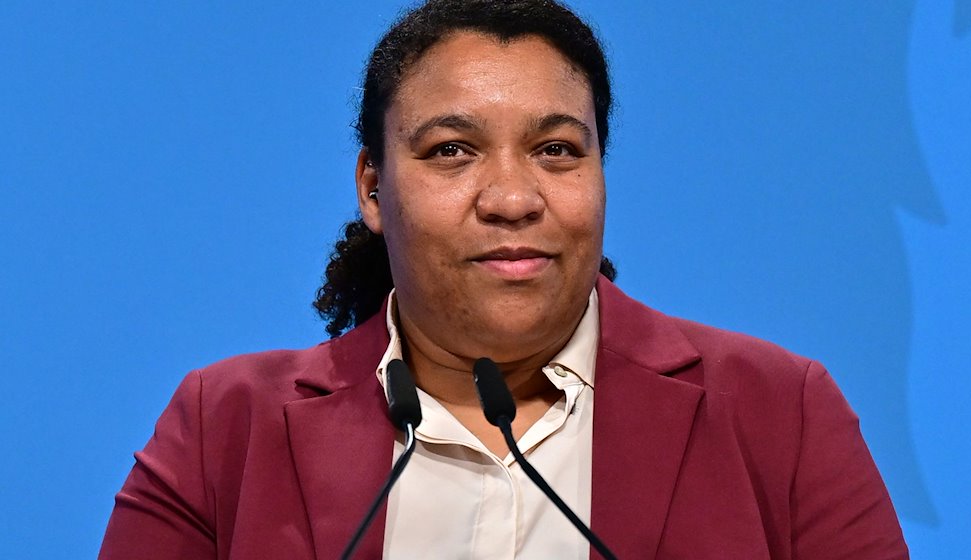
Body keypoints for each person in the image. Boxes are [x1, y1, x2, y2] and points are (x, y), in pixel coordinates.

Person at [99, 1, 908, 558]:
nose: (515, 199)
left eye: (557, 149)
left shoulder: (778, 414)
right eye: (452, 150)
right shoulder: (223, 430)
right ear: (373, 189)